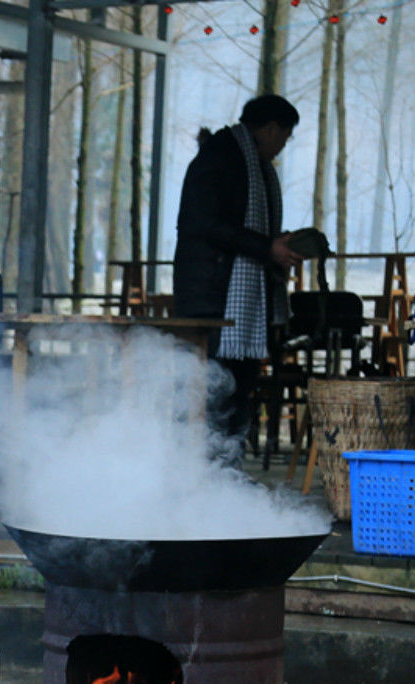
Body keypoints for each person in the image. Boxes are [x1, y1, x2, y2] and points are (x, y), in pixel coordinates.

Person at [172, 93, 305, 466]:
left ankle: (227, 473)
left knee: (237, 391)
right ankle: (196, 471)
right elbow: (201, 222)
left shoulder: (255, 165)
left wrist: (272, 247)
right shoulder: (220, 156)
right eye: (285, 136)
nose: (283, 145)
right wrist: (267, 248)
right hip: (211, 297)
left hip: (242, 302)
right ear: (270, 128)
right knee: (209, 391)